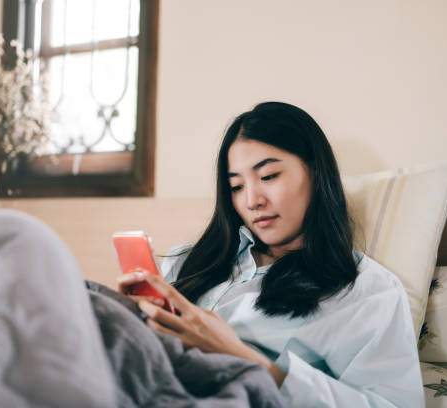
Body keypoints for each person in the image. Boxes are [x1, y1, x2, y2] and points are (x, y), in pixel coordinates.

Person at [117, 101, 425, 407]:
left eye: (268, 177)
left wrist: (239, 357)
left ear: (316, 173)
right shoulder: (187, 262)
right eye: (236, 186)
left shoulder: (365, 291)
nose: (252, 201)